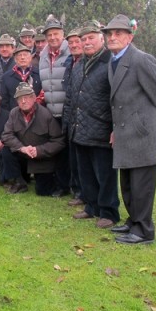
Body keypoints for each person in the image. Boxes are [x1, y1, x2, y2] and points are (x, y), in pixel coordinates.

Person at [102, 14, 156, 245]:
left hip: (143, 134)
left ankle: (144, 231)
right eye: (109, 34)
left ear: (129, 37)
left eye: (118, 33)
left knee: (142, 185)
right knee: (127, 183)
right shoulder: (112, 60)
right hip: (125, 134)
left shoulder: (142, 60)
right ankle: (134, 220)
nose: (112, 37)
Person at [63, 21, 120, 229]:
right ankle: (91, 206)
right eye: (83, 39)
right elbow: (71, 97)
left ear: (101, 39)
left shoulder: (110, 63)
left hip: (102, 129)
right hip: (79, 129)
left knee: (105, 174)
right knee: (85, 172)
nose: (86, 42)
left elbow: (117, 99)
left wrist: (115, 128)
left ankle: (109, 212)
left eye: (91, 38)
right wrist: (68, 124)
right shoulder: (79, 66)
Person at [1, 83, 66, 196]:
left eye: (26, 97)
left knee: (43, 192)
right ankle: (19, 181)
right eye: (20, 98)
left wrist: (39, 150)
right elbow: (6, 135)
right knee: (6, 150)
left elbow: (59, 141)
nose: (23, 101)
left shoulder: (46, 114)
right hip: (23, 154)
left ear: (34, 98)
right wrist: (21, 148)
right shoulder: (13, 113)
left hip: (41, 158)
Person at [38, 15, 71, 197]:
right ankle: (61, 184)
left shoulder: (71, 52)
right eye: (49, 35)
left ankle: (72, 186)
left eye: (56, 34)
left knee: (70, 151)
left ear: (62, 34)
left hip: (68, 109)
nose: (52, 38)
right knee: (57, 150)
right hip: (52, 110)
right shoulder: (44, 55)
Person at [62, 27, 85, 207]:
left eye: (78, 41)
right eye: (71, 43)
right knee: (75, 159)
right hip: (71, 117)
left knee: (87, 162)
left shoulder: (88, 62)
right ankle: (79, 192)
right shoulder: (70, 62)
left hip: (87, 119)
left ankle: (88, 195)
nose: (74, 45)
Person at [0, 43, 43, 114]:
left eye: (25, 55)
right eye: (19, 55)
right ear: (15, 59)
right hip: (15, 115)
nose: (22, 57)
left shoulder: (39, 74)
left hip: (37, 114)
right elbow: (4, 100)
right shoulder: (6, 77)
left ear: (30, 57)